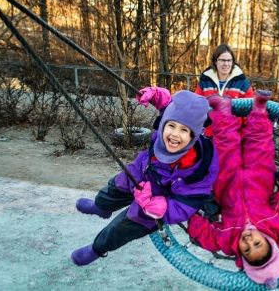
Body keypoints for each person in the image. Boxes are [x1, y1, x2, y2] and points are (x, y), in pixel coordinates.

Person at [71, 89, 219, 266]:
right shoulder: (168, 120)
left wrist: (164, 208)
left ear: (194, 135)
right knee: (116, 186)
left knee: (126, 224)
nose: (174, 134)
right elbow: (166, 105)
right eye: (171, 126)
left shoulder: (199, 167)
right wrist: (155, 94)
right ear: (164, 123)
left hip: (156, 198)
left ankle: (98, 248)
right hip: (142, 171)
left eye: (184, 130)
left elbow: (190, 201)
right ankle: (101, 207)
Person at [187, 90, 279, 289]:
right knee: (260, 144)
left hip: (226, 184)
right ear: (269, 242)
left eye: (246, 250)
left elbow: (206, 235)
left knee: (225, 145)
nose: (248, 241)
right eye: (257, 244)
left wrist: (192, 212)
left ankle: (223, 109)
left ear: (241, 254)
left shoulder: (228, 240)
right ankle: (259, 109)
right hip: (260, 179)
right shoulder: (274, 226)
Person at [195, 44, 254, 136]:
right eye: (222, 60)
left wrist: (246, 135)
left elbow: (250, 110)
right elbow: (197, 105)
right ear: (215, 61)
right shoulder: (205, 80)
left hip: (233, 135)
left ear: (232, 62)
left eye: (229, 60)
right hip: (209, 133)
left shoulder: (242, 82)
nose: (226, 64)